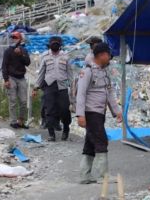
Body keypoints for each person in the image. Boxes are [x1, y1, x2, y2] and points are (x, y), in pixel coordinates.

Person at [76, 43, 122, 184]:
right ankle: (103, 176)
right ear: (101, 55)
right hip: (91, 112)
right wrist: (80, 115)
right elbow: (81, 94)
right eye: (108, 55)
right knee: (101, 140)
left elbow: (109, 93)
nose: (109, 58)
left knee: (90, 143)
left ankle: (85, 176)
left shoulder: (103, 72)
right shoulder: (87, 71)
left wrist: (117, 112)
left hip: (100, 112)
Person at [34, 36, 73, 141]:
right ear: (49, 45)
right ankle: (51, 134)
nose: (54, 45)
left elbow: (70, 73)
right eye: (53, 43)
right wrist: (36, 86)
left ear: (60, 45)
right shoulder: (45, 56)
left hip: (63, 85)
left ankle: (66, 129)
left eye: (57, 43)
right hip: (49, 85)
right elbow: (41, 72)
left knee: (65, 109)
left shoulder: (65, 56)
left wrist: (72, 87)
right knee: (49, 109)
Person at [2, 32, 31, 129]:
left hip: (21, 77)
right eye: (12, 37)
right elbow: (4, 66)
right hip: (11, 77)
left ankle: (21, 121)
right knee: (13, 100)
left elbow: (27, 62)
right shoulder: (8, 51)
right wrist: (6, 79)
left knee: (23, 101)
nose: (13, 39)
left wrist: (21, 54)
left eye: (15, 37)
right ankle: (13, 121)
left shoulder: (23, 50)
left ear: (20, 39)